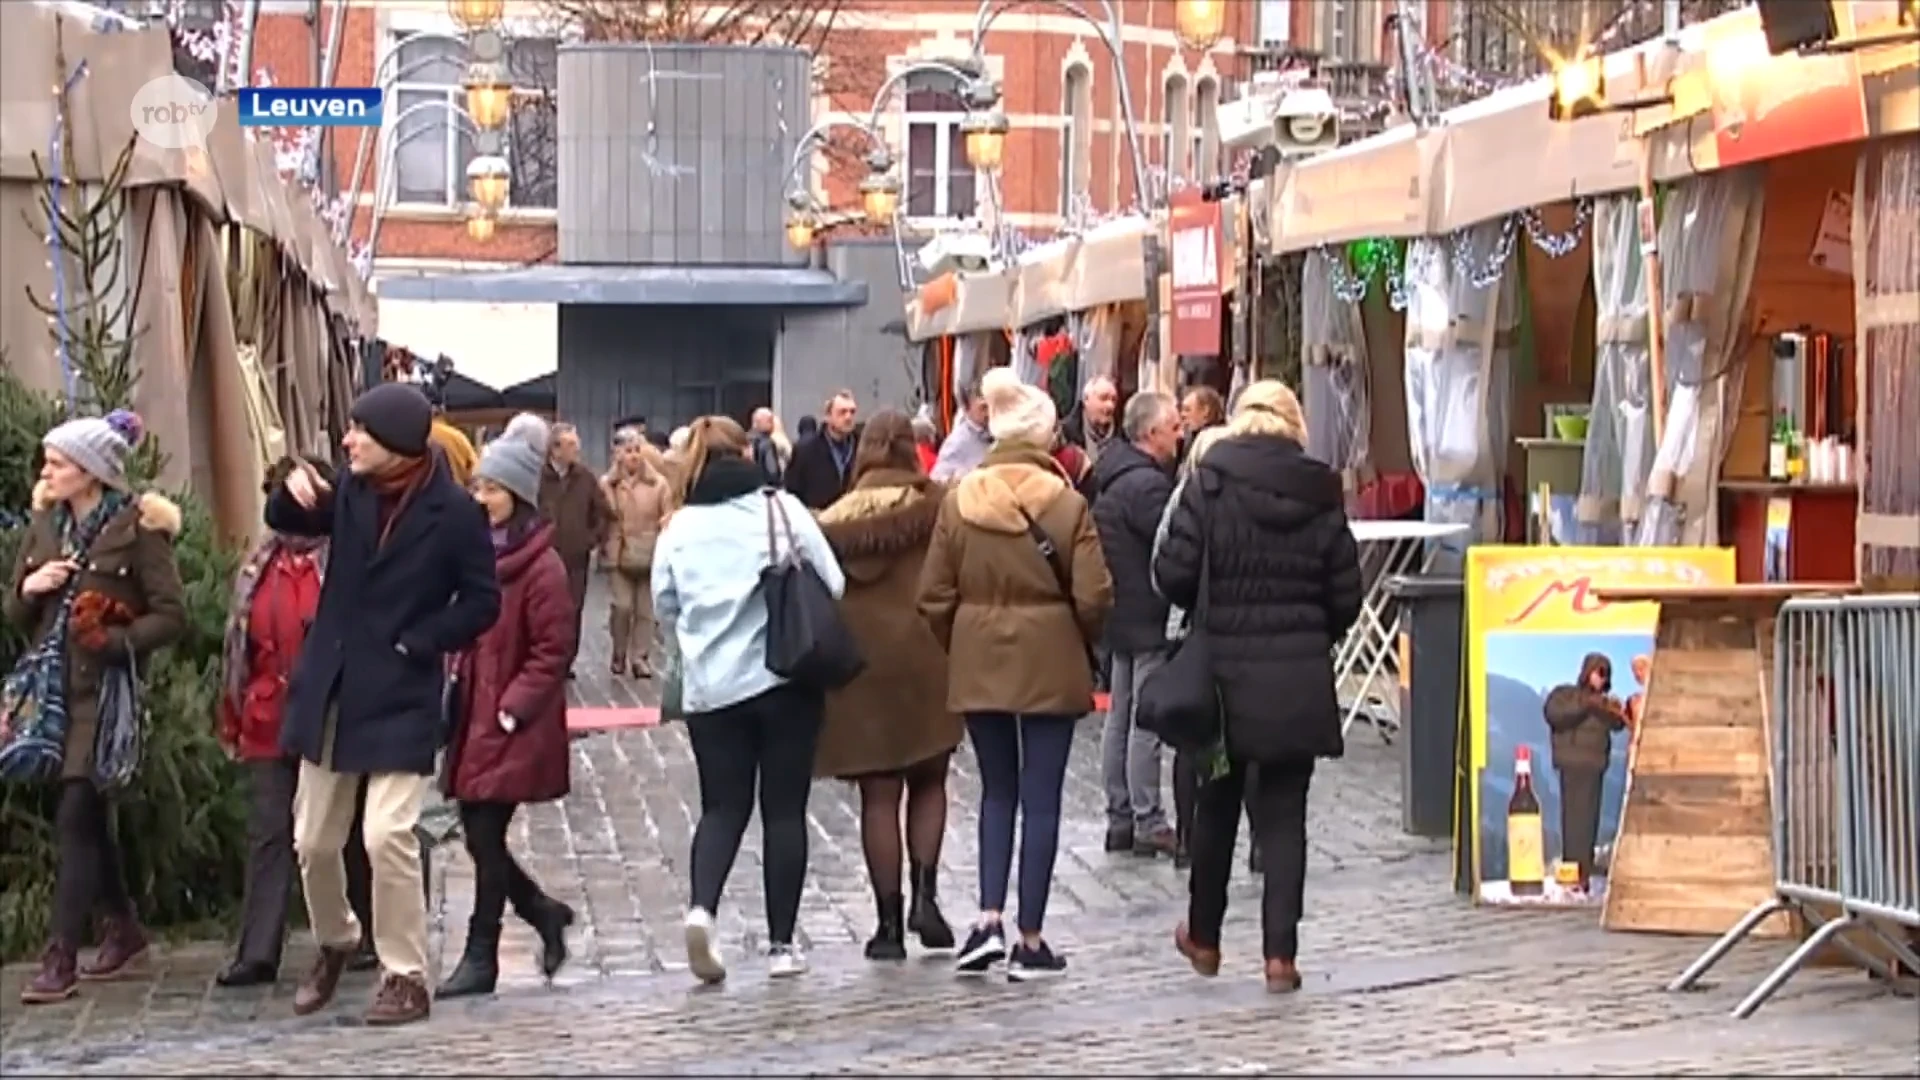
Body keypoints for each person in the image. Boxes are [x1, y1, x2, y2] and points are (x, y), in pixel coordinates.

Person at [267, 381, 501, 1026]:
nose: (348, 441)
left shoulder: (455, 513)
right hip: (335, 687)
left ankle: (406, 975)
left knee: (387, 833)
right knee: (312, 840)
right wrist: (289, 491)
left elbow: (483, 603)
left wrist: (418, 642)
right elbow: (288, 521)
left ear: (396, 442)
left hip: (401, 691)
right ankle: (339, 941)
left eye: (359, 431)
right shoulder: (348, 489)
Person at [1152, 380, 1362, 995]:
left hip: (1221, 678)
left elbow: (1172, 573)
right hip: (1295, 678)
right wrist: (1310, 630)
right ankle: (1280, 957)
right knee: (1284, 819)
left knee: (1215, 807)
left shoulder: (1209, 479)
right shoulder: (1320, 491)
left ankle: (1206, 937)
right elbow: (1345, 594)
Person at [918, 367, 1112, 981]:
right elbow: (1096, 594)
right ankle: (1030, 936)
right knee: (1042, 796)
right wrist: (1076, 638)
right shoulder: (1067, 502)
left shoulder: (959, 499)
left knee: (995, 791)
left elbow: (933, 595)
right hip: (1050, 659)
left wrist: (965, 640)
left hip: (980, 659)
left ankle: (987, 919)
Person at [653, 416, 845, 984]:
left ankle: (701, 909)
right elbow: (832, 582)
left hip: (713, 690)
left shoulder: (679, 528)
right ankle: (782, 946)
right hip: (784, 678)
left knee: (720, 808)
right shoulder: (781, 509)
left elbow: (665, 604)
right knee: (784, 811)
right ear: (747, 452)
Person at [7, 411, 186, 1005]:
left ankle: (60, 957)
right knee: (85, 818)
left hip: (105, 696)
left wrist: (117, 642)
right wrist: (29, 589)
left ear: (89, 473)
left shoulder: (139, 528)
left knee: (75, 812)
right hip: (51, 691)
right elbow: (17, 614)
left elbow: (170, 614)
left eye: (56, 463)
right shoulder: (46, 526)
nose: (45, 472)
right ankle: (123, 925)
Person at [214, 455, 378, 989]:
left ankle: (364, 935)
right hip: (268, 712)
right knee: (268, 831)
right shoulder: (260, 565)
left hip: (332, 713)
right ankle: (258, 950)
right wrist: (235, 709)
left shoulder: (347, 560)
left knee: (341, 828)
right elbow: (240, 645)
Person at [437, 414, 577, 999]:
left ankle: (481, 954)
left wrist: (513, 707)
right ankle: (543, 913)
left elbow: (552, 649)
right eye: (478, 487)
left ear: (515, 496)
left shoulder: (541, 568)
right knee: (478, 835)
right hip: (474, 713)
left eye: (491, 489)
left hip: (511, 723)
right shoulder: (476, 555)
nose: (481, 497)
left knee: (484, 834)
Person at [815, 411, 963, 962]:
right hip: (928, 658)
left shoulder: (834, 518)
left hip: (863, 670)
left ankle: (887, 926)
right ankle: (927, 896)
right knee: (930, 781)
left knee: (879, 797)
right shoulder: (940, 504)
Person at [1090, 392, 1182, 859]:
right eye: (1173, 426)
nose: (1180, 434)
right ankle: (1147, 818)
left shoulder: (1110, 475)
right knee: (1143, 718)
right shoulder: (1147, 487)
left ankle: (1120, 816)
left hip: (1119, 611)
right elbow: (1173, 546)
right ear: (1150, 434)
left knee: (1121, 716)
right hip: (1146, 613)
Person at [1543, 653, 1627, 893]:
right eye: (1598, 672)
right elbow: (1554, 714)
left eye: (1605, 675)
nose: (1601, 679)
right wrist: (1587, 703)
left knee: (1588, 820)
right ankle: (1573, 870)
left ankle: (1584, 872)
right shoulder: (1566, 694)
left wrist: (1607, 706)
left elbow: (1618, 723)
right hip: (1571, 763)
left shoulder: (1603, 702)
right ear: (1587, 670)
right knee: (1572, 819)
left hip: (1593, 765)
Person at [537, 423, 611, 679]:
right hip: (542, 556)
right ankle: (544, 658)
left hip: (575, 556)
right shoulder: (538, 477)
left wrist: (590, 540)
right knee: (544, 609)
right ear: (554, 449)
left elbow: (602, 512)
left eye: (576, 443)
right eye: (570, 444)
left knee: (573, 609)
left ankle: (566, 661)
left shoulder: (585, 477)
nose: (576, 449)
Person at [601, 427, 671, 678]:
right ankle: (619, 652)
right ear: (617, 453)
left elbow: (668, 514)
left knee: (646, 611)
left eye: (638, 450)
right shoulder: (607, 484)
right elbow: (602, 516)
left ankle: (640, 658)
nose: (634, 456)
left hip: (649, 552)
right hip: (618, 552)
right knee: (621, 607)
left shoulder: (658, 483)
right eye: (628, 451)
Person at [784, 391, 860, 510]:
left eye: (852, 412)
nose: (848, 417)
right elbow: (792, 490)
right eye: (842, 412)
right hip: (817, 521)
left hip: (852, 519)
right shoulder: (806, 449)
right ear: (827, 416)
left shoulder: (861, 447)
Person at [929, 385, 991, 483]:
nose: (988, 413)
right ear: (967, 408)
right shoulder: (957, 442)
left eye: (990, 407)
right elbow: (938, 479)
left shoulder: (995, 432)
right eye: (983, 408)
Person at [1060, 375, 1119, 467]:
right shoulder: (1065, 434)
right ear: (1086, 399)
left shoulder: (1122, 436)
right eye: (1103, 398)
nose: (1110, 405)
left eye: (1114, 400)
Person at [1178, 386, 1226, 463]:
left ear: (1205, 411)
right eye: (1182, 410)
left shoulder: (1219, 443)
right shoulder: (1187, 438)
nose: (1182, 415)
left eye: (1187, 410)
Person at [749, 407, 793, 487]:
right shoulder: (767, 443)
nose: (773, 424)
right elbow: (772, 471)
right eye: (770, 421)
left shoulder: (747, 441)